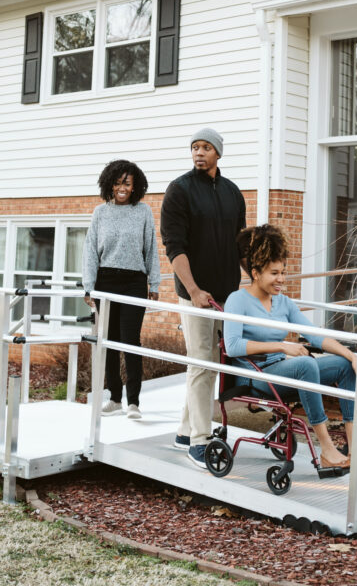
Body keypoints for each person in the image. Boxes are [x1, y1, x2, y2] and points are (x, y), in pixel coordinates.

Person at [223, 224, 357, 470]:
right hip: (258, 375)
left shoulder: (283, 302)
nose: (281, 279)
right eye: (274, 273)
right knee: (305, 364)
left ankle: (355, 444)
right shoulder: (237, 300)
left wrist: (352, 355)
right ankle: (326, 449)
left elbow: (315, 336)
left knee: (344, 365)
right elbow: (232, 346)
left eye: (283, 272)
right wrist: (282, 346)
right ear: (255, 272)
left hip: (284, 369)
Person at [161, 127, 246, 469]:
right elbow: (174, 246)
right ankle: (199, 439)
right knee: (200, 361)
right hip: (195, 295)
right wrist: (194, 290)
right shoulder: (179, 191)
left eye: (206, 147)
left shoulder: (232, 192)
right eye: (194, 147)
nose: (198, 153)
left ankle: (184, 430)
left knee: (211, 361)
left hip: (227, 295)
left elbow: (240, 243)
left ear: (218, 154)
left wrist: (253, 281)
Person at [83, 159, 160, 420]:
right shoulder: (100, 213)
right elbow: (90, 252)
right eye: (117, 182)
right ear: (109, 184)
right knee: (109, 342)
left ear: (135, 185)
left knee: (131, 341)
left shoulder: (143, 211)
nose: (122, 187)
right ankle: (115, 397)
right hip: (105, 281)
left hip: (134, 282)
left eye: (127, 182)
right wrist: (88, 287)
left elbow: (151, 249)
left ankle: (133, 402)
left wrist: (155, 283)